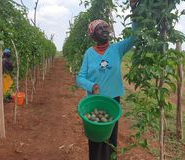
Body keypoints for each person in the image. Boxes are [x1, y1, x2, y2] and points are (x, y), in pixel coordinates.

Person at [76, 1, 140, 159]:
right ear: (93, 34)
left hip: (112, 101)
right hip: (95, 101)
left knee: (110, 138)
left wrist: (134, 10)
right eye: (100, 28)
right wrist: (92, 86)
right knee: (96, 138)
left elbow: (135, 36)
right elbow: (80, 77)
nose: (105, 29)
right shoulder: (89, 53)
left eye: (106, 27)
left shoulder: (117, 49)